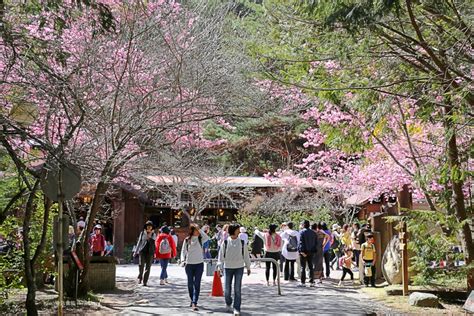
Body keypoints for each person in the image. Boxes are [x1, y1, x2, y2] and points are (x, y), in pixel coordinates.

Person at [217, 224, 251, 316]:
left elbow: (246, 256)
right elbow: (221, 256)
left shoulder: (242, 242)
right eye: (237, 229)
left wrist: (248, 267)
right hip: (228, 267)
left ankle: (237, 308)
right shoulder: (225, 242)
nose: (239, 231)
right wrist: (220, 267)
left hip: (239, 267)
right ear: (233, 230)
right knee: (227, 289)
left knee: (237, 289)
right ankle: (228, 302)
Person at [180, 224, 209, 311]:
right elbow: (183, 251)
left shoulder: (201, 239)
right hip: (189, 264)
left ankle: (194, 302)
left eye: (198, 230)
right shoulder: (187, 240)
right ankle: (192, 299)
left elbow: (207, 237)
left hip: (199, 264)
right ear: (192, 231)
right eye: (195, 230)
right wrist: (182, 260)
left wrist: (199, 229)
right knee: (190, 284)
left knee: (197, 284)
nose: (197, 232)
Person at [134, 221, 157, 286]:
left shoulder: (153, 234)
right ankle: (140, 277)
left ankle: (145, 281)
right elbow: (139, 242)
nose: (149, 227)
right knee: (141, 265)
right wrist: (136, 251)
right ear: (146, 226)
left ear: (152, 227)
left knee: (148, 267)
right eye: (148, 226)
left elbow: (152, 241)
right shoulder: (142, 233)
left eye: (150, 226)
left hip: (150, 252)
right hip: (142, 251)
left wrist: (150, 234)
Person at [298, 220, 317, 287]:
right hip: (311, 252)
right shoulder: (314, 233)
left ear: (303, 225)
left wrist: (301, 251)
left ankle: (303, 282)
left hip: (304, 251)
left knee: (303, 267)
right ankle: (312, 281)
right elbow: (315, 243)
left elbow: (301, 242)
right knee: (310, 266)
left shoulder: (302, 232)